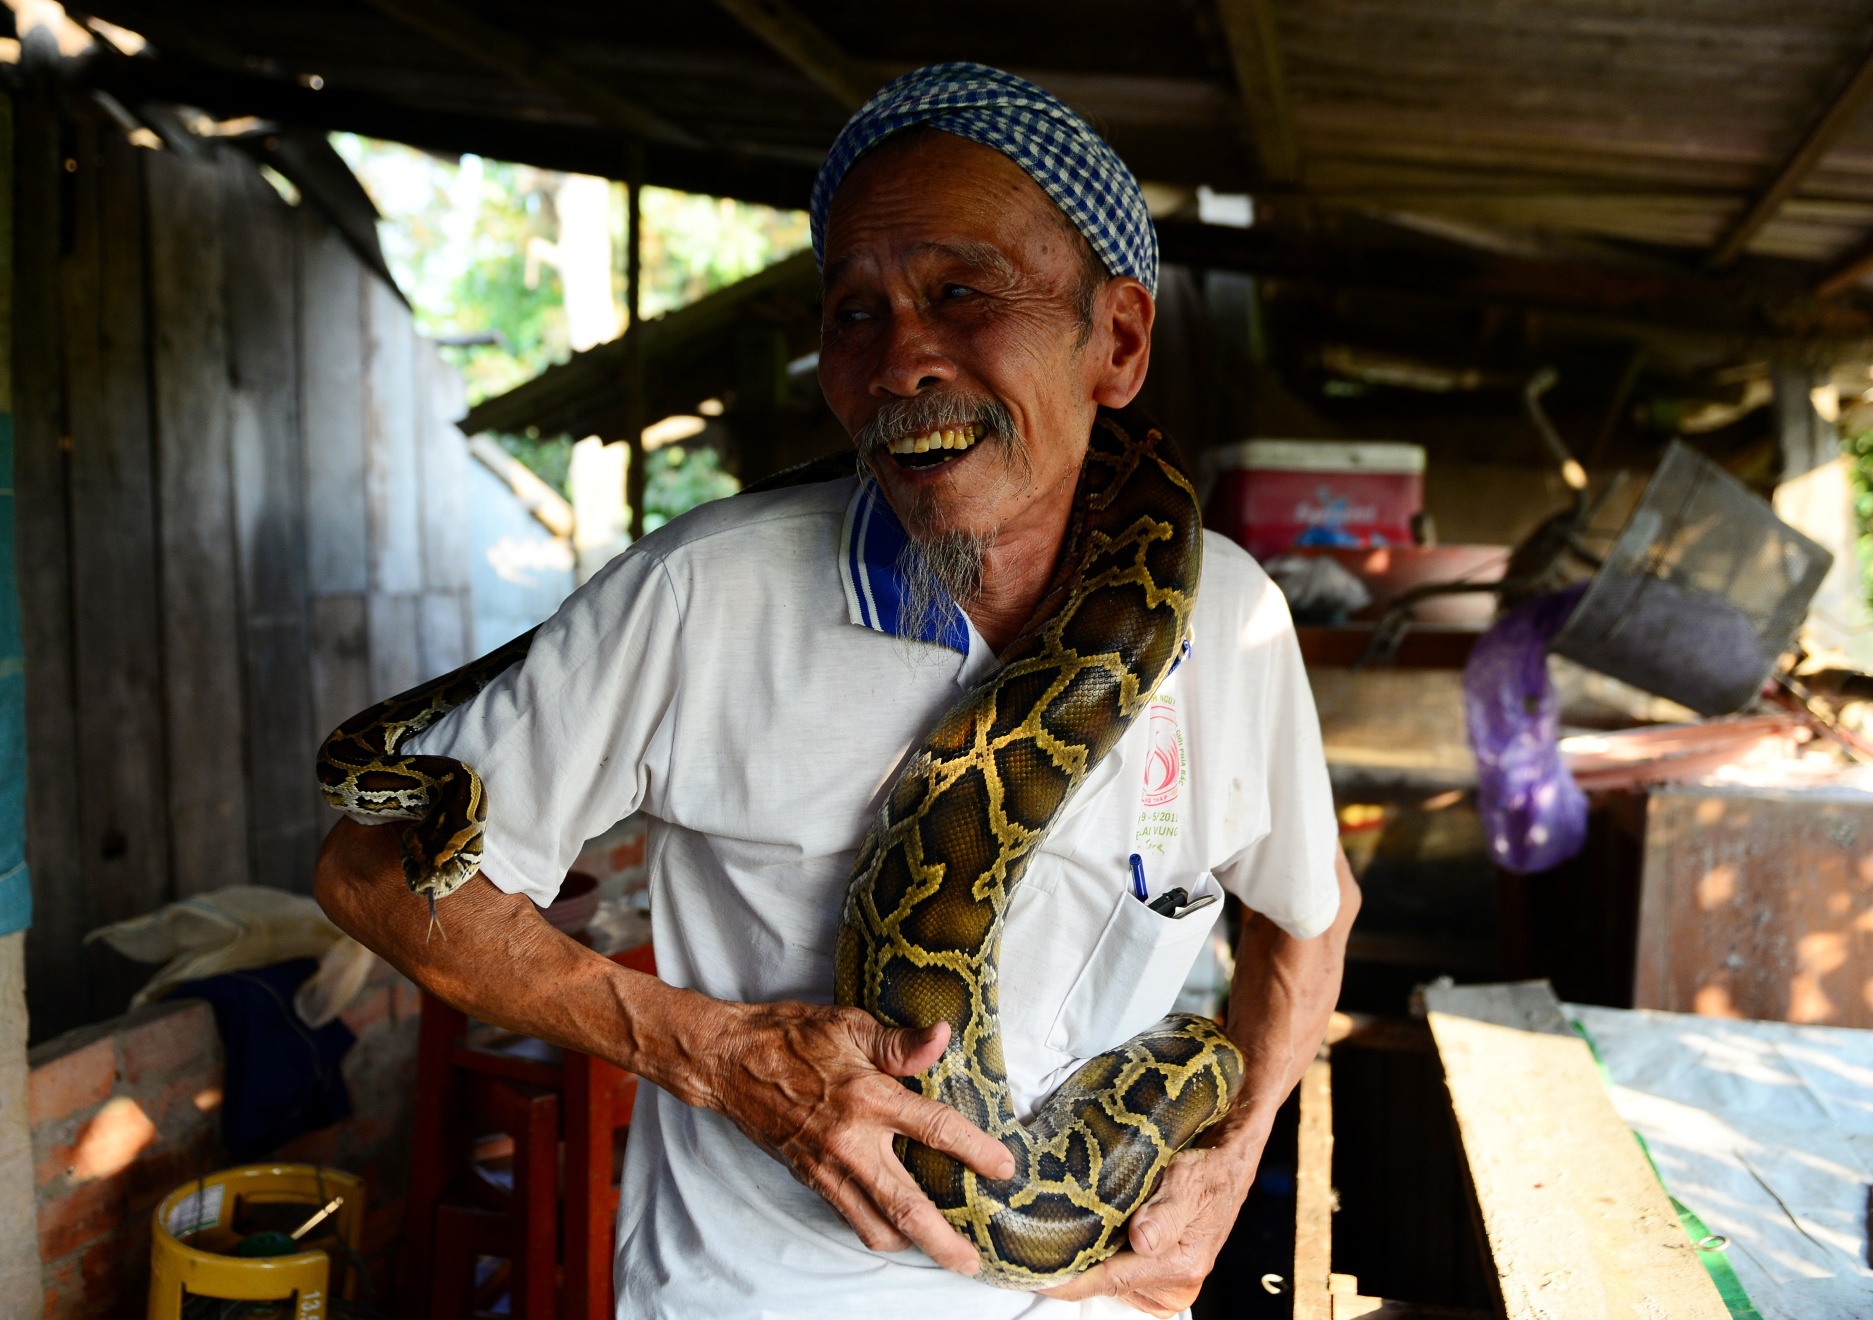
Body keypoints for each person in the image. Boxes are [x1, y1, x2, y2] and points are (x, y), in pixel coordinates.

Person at [314, 62, 1358, 1320]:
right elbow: (375, 870)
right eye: (852, 312)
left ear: (1118, 342)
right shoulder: (704, 594)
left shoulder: (1231, 619)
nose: (901, 358)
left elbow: (1308, 916)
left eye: (961, 292)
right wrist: (708, 1052)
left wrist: (1234, 1152)